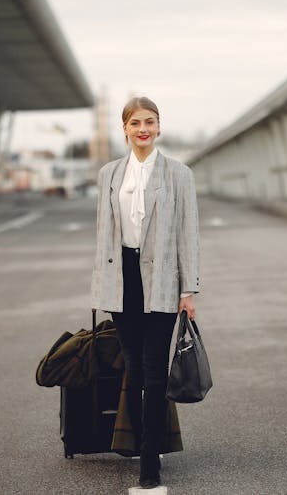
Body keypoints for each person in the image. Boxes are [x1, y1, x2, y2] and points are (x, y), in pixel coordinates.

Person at [91, 96, 200, 490]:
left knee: (155, 373)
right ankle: (139, 444)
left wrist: (189, 290)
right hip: (122, 281)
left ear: (158, 127)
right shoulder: (109, 174)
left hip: (162, 283)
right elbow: (104, 236)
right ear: (124, 128)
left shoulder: (178, 174)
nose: (143, 129)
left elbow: (188, 235)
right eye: (136, 122)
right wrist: (99, 287)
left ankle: (150, 464)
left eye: (150, 122)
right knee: (133, 370)